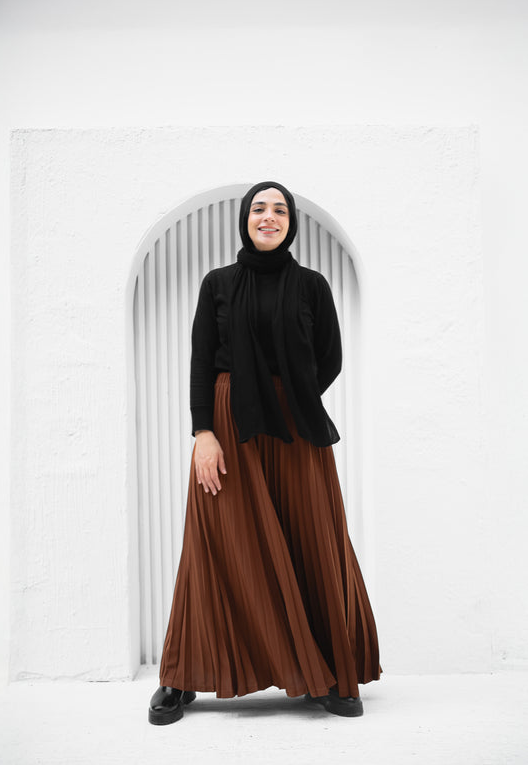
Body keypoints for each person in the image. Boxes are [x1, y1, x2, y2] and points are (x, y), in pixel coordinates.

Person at [148, 180, 381, 725]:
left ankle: (328, 673)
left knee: (312, 536)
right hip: (229, 427)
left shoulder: (312, 286)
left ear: (290, 222)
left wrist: (293, 398)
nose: (268, 217)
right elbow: (201, 360)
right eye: (259, 208)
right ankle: (181, 676)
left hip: (296, 426)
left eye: (279, 210)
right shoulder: (218, 284)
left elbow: (330, 356)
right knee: (213, 543)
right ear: (245, 220)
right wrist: (203, 433)